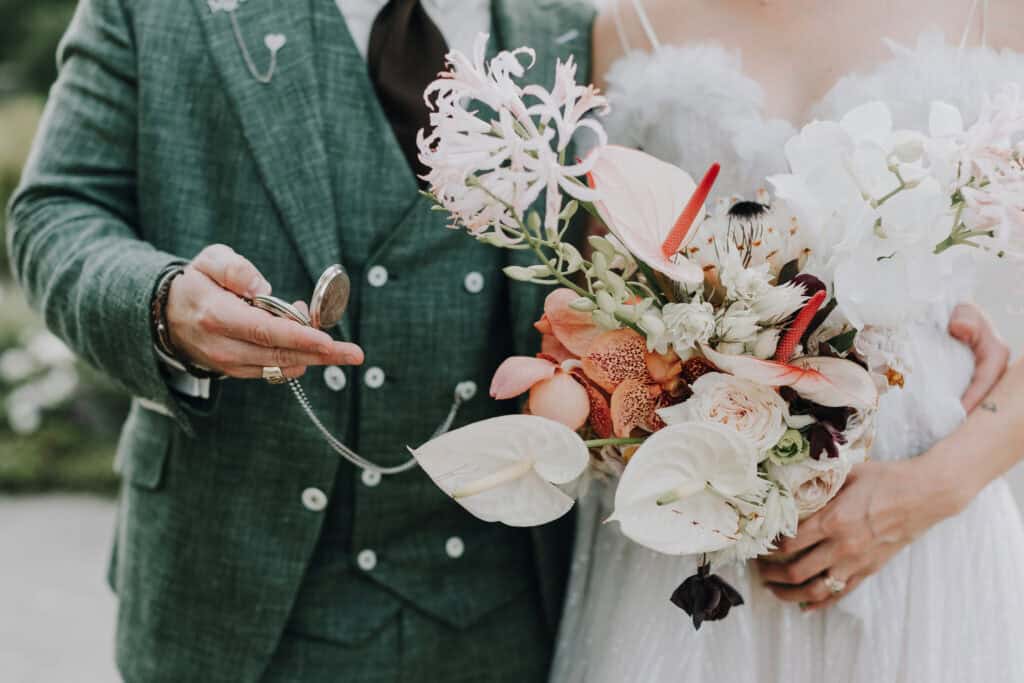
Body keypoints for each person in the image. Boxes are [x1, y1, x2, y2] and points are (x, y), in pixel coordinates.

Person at [7, 0, 594, 680]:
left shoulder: (566, 22)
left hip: (506, 613)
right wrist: (162, 305)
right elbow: (57, 211)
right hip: (234, 599)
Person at [551, 1, 1024, 681]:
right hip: (694, 529)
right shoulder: (627, 23)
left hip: (929, 524)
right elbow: (603, 301)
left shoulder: (996, 13)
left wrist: (930, 489)